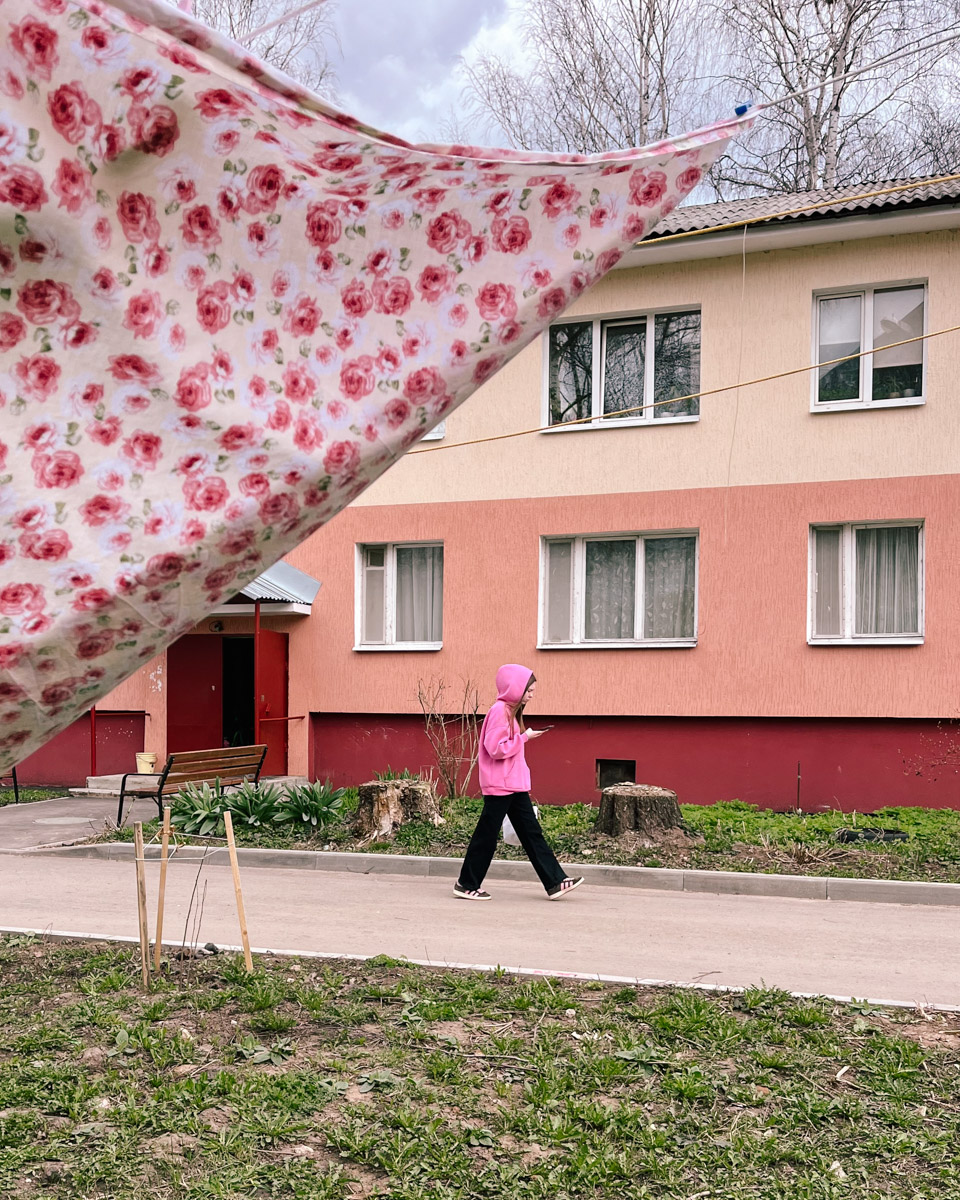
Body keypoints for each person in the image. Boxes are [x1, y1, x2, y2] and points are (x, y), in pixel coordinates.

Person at [454, 664, 584, 902]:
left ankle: (555, 881)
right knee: (487, 835)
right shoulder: (499, 711)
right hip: (501, 786)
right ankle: (466, 884)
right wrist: (525, 737)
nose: (532, 695)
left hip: (513, 785)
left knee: (532, 833)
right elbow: (495, 749)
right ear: (515, 688)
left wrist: (523, 738)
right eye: (529, 690)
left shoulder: (509, 711)